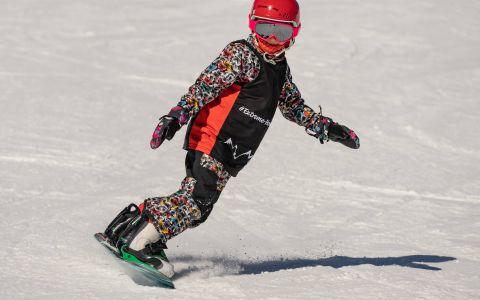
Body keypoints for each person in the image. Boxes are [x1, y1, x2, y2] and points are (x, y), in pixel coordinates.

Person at [100, 0, 360, 278]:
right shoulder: (242, 55)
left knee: (199, 204)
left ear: (295, 33)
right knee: (197, 201)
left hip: (232, 152)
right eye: (264, 29)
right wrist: (177, 115)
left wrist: (326, 127)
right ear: (252, 24)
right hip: (213, 138)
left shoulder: (279, 70)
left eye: (281, 32)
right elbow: (206, 85)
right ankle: (138, 243)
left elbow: (292, 106)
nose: (271, 40)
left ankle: (129, 227)